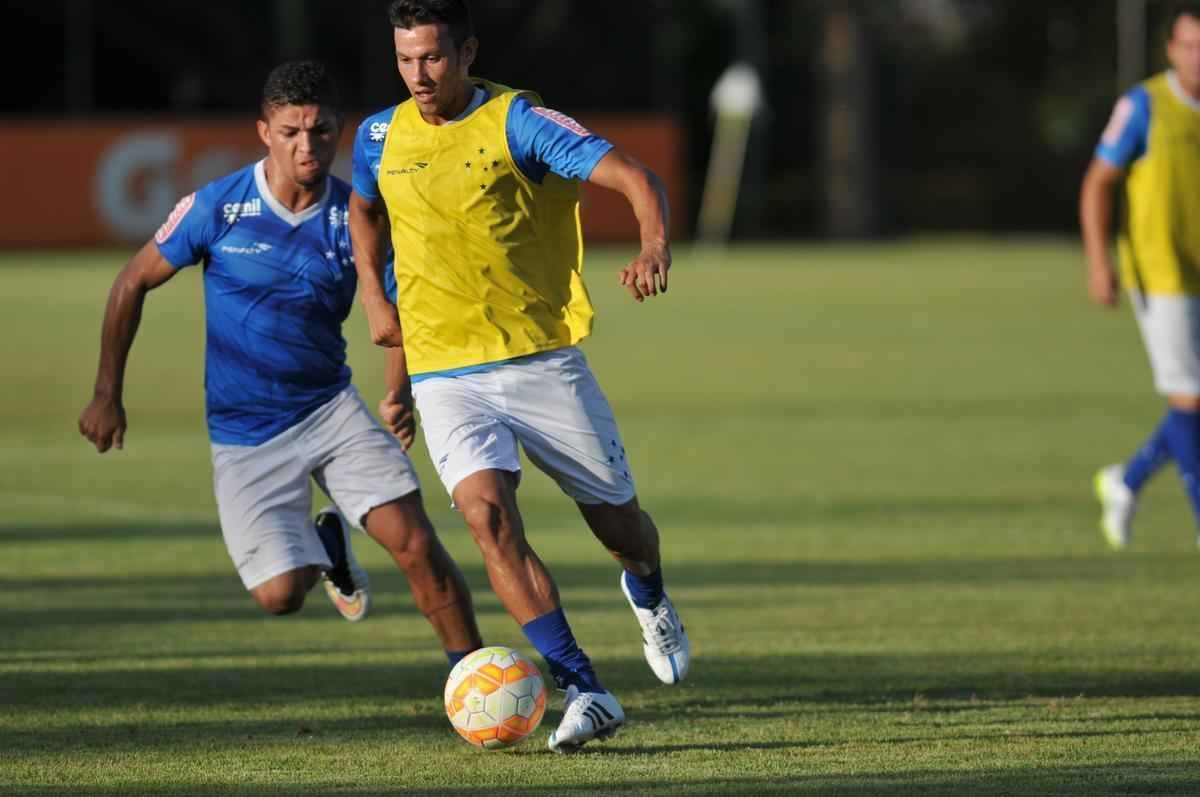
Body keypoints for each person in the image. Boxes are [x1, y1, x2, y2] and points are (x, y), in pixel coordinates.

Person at [350, 0, 691, 753]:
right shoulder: (378, 134)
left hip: (540, 357)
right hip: (446, 372)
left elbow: (632, 175)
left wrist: (653, 242)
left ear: (467, 52)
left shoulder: (519, 121)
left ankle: (649, 589)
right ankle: (584, 685)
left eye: (433, 57)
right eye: (405, 59)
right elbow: (363, 212)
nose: (418, 74)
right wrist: (375, 298)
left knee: (621, 528)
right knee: (486, 517)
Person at [77, 60, 483, 667]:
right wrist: (107, 392)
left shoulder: (361, 219)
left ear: (339, 131)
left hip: (330, 409)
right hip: (245, 433)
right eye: (290, 131)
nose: (307, 145)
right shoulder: (217, 207)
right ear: (264, 131)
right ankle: (328, 549)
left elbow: (395, 314)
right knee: (280, 596)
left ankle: (473, 678)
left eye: (320, 131)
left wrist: (399, 394)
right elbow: (132, 282)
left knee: (417, 544)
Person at [1083, 2, 1200, 549]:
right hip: (1160, 273)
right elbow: (1098, 182)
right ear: (1171, 50)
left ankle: (1125, 481)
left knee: (1193, 399)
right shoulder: (1144, 105)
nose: (1198, 58)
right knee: (1190, 400)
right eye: (1190, 46)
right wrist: (1099, 260)